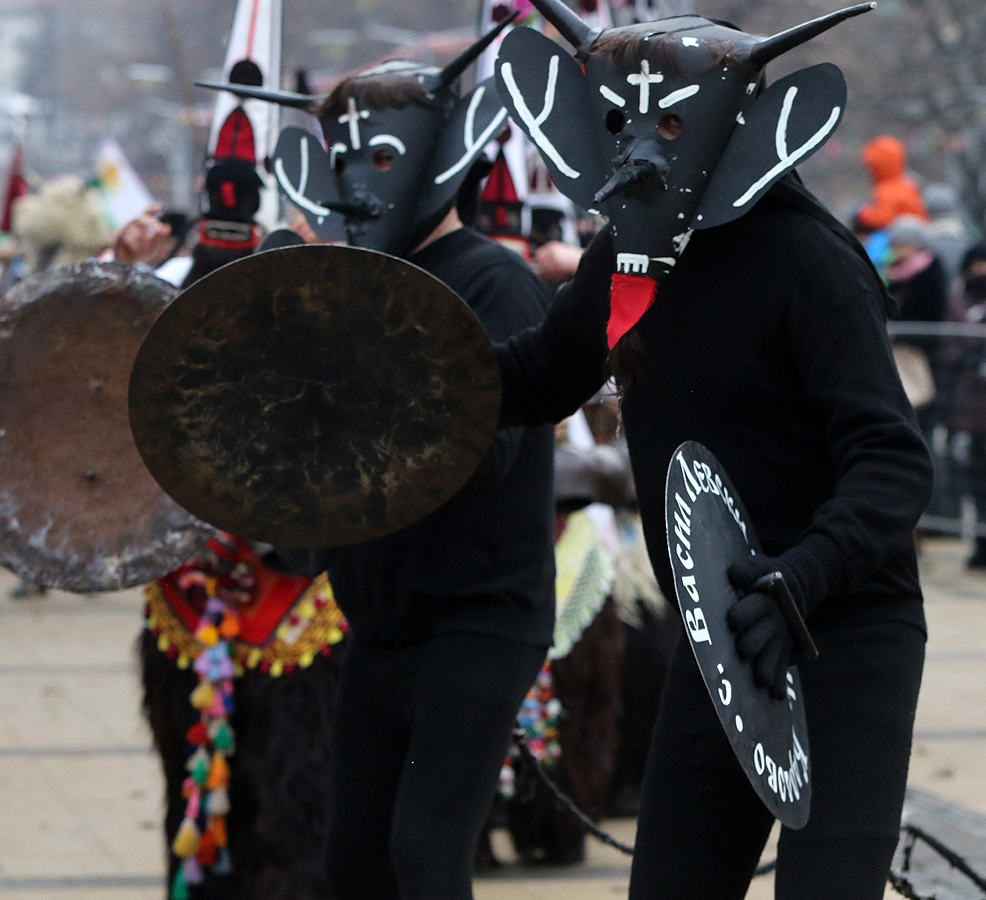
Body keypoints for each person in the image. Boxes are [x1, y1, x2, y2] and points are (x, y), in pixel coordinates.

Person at [491, 4, 933, 898]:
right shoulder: (628, 254)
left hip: (845, 633)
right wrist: (382, 363)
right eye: (623, 120)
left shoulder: (812, 264)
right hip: (718, 636)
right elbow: (536, 377)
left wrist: (803, 577)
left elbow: (891, 462)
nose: (642, 148)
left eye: (669, 121)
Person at [252, 34, 557, 900]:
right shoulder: (351, 281)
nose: (358, 182)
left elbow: (482, 453)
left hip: (478, 619)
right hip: (379, 620)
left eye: (382, 155)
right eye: (344, 158)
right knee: (354, 867)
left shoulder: (493, 281)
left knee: (426, 857)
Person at [943, 244, 986, 568]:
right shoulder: (958, 302)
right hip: (971, 407)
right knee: (974, 477)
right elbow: (946, 346)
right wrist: (966, 357)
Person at [855, 135, 929, 233]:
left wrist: (862, 213)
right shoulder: (906, 183)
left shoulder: (886, 190)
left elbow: (883, 218)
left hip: (903, 237)